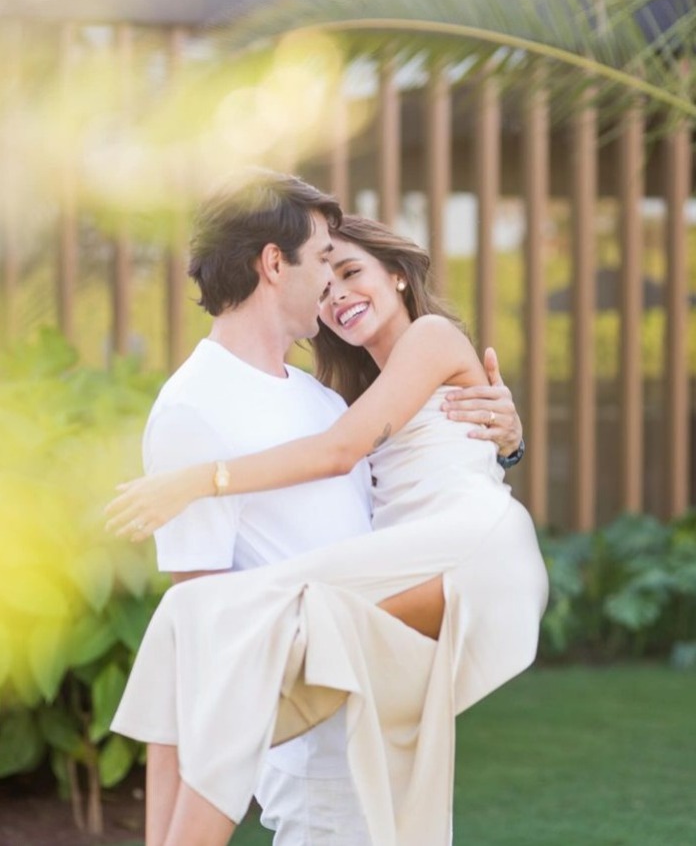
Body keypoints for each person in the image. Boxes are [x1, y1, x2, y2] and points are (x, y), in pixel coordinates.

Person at [107, 175, 547, 846]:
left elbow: (341, 453)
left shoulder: (416, 349)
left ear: (398, 275)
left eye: (348, 269)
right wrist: (505, 447)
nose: (335, 291)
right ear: (273, 264)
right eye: (325, 269)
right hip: (375, 641)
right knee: (196, 628)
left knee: (212, 630)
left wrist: (202, 480)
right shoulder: (329, 395)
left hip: (467, 553)